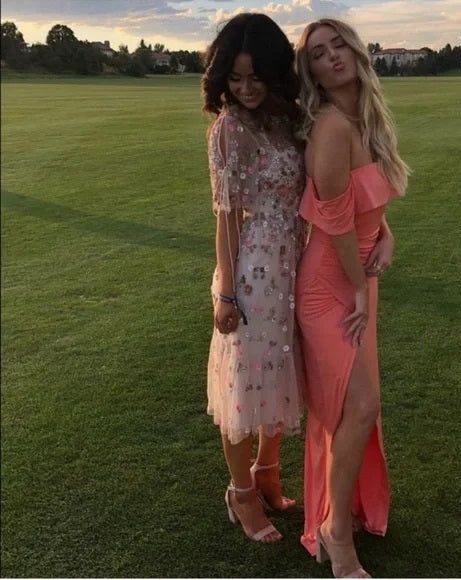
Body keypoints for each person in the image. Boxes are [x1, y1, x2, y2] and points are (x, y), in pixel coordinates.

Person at [295, 18, 410, 576]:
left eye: (339, 44)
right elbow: (334, 217)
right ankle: (335, 531)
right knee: (357, 405)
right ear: (312, 72)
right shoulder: (331, 126)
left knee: (357, 407)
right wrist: (360, 288)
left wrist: (386, 234)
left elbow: (369, 204)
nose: (333, 56)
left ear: (357, 51)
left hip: (359, 278)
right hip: (328, 285)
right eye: (319, 53)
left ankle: (341, 516)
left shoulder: (367, 119)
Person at [202, 13, 306, 543]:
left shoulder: (284, 119)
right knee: (244, 382)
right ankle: (240, 492)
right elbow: (225, 217)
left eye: (256, 76)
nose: (245, 88)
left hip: (293, 265)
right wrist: (226, 292)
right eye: (236, 78)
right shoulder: (229, 130)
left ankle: (268, 471)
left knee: (279, 371)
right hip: (252, 274)